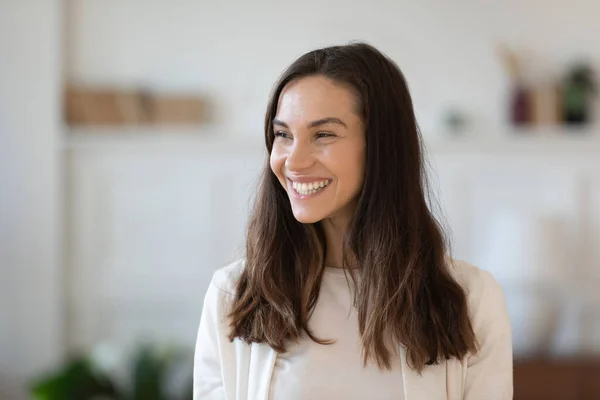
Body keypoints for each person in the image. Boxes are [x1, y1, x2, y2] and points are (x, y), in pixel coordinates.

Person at [193, 42, 513, 400]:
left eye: (323, 134)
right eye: (283, 135)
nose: (293, 161)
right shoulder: (233, 296)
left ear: (381, 147)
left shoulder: (473, 300)